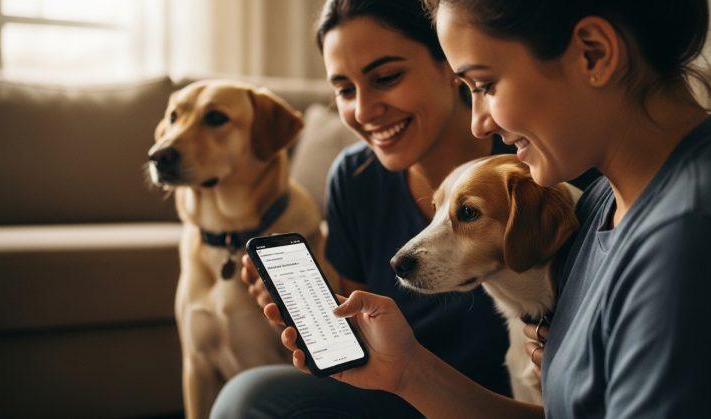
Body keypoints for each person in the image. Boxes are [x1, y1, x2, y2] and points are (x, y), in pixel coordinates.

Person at [264, 0, 711, 417]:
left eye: (485, 84)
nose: (479, 124)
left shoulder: (689, 243)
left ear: (593, 53)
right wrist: (407, 370)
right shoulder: (606, 201)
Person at [209, 0, 590, 416]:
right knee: (252, 395)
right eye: (343, 89)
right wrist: (314, 307)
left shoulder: (540, 160)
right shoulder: (354, 179)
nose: (364, 110)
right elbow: (359, 322)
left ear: (451, 66)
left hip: (500, 399)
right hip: (398, 392)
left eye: (387, 77)